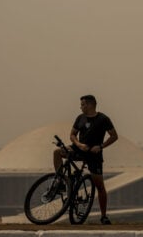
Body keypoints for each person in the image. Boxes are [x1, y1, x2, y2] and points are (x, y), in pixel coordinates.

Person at [53, 94, 118, 225]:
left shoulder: (103, 119)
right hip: (78, 149)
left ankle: (104, 216)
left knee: (99, 186)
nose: (80, 107)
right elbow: (72, 135)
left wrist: (100, 146)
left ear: (90, 105)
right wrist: (78, 144)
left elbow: (114, 136)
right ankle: (60, 181)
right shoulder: (80, 118)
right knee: (57, 152)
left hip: (94, 154)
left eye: (83, 104)